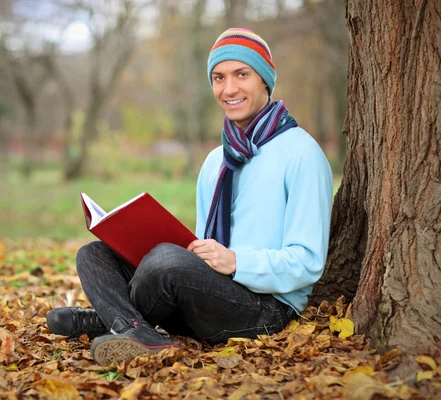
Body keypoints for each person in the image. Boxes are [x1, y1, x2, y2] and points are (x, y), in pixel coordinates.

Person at [46, 27, 333, 366]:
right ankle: (136, 330)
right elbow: (202, 249)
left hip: (265, 309)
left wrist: (236, 261)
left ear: (265, 81)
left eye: (242, 74)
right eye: (218, 77)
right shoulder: (216, 161)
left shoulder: (302, 153)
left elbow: (307, 262)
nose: (229, 89)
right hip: (209, 294)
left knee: (165, 261)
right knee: (94, 255)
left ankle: (112, 321)